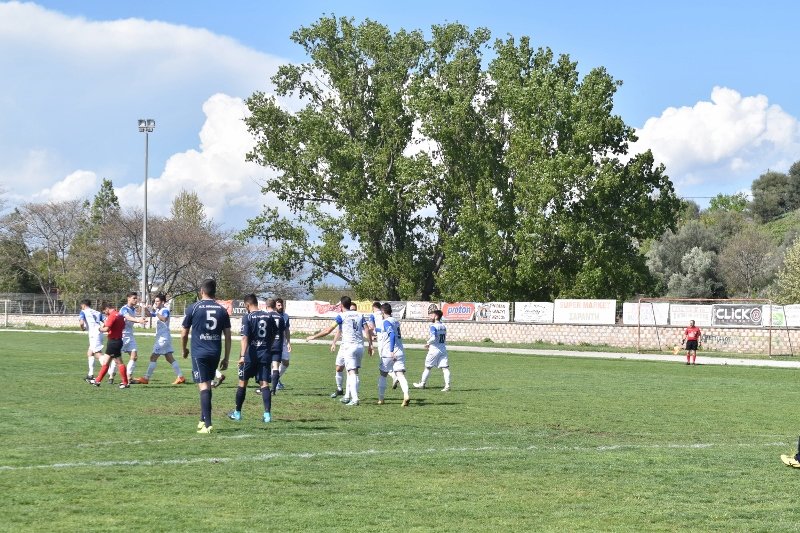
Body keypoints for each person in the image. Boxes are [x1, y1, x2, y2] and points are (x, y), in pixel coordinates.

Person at [181, 279, 232, 434]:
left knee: (203, 386)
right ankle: (202, 419)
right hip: (215, 352)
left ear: (202, 291)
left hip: (199, 352)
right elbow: (228, 336)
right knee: (206, 385)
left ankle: (208, 424)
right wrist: (226, 357)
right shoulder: (222, 310)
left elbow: (184, 332)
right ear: (214, 292)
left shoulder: (194, 308)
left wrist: (184, 349)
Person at [228, 294, 277, 423]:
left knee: (242, 383)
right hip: (265, 354)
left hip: (250, 355)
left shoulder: (248, 317)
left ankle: (237, 413)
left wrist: (242, 356)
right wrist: (268, 347)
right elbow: (274, 334)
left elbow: (244, 337)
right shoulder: (268, 316)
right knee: (264, 384)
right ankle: (267, 415)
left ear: (247, 305)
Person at [133, 293, 185, 385]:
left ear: (163, 302)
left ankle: (146, 378)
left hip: (163, 339)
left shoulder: (165, 310)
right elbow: (150, 315)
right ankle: (181, 377)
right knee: (169, 358)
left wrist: (156, 312)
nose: (155, 303)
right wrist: (145, 309)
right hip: (164, 337)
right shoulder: (159, 310)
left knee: (153, 357)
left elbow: (164, 318)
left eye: (157, 301)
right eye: (155, 301)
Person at [88, 301, 130, 388]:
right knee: (106, 362)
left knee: (118, 362)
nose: (105, 313)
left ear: (107, 308)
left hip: (113, 342)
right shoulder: (120, 315)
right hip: (117, 340)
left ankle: (125, 383)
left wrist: (99, 328)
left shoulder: (112, 316)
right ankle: (97, 381)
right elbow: (123, 326)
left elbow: (106, 329)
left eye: (104, 311)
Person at [376, 302, 410, 406]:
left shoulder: (386, 322)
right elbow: (387, 331)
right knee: (400, 374)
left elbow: (392, 336)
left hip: (389, 352)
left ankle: (381, 399)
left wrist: (391, 350)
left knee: (383, 374)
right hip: (400, 352)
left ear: (383, 311)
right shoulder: (395, 321)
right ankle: (406, 394)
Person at [413, 309, 451, 391]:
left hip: (434, 349)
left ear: (436, 316)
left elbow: (433, 337)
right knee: (445, 368)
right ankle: (447, 386)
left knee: (427, 367)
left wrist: (428, 343)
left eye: (432, 315)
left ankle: (422, 384)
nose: (430, 316)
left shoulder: (433, 326)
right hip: (443, 349)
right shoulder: (443, 326)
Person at [79, 299, 109, 383]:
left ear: (83, 305)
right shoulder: (97, 312)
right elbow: (106, 321)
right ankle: (90, 375)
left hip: (93, 334)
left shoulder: (83, 312)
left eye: (81, 306)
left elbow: (81, 323)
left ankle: (109, 369)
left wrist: (83, 328)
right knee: (90, 353)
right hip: (99, 332)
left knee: (97, 353)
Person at [120, 291, 147, 381]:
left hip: (130, 335)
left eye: (136, 298)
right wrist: (138, 320)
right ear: (128, 299)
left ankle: (129, 377)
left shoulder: (134, 309)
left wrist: (140, 319)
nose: (136, 300)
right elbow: (127, 317)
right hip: (122, 335)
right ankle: (111, 375)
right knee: (115, 357)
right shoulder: (124, 309)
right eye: (134, 298)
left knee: (134, 356)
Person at [274, 298, 292, 391]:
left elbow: (287, 330)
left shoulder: (285, 316)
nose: (281, 307)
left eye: (282, 305)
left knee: (286, 362)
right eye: (279, 305)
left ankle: (275, 378)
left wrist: (288, 342)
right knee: (275, 363)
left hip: (283, 342)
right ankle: (275, 382)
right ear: (275, 306)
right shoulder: (271, 315)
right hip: (273, 342)